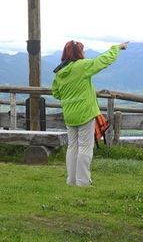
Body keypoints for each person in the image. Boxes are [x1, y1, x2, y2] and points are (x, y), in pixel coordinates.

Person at [51, 40, 128, 186]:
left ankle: (71, 180)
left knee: (72, 147)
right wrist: (116, 48)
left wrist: (69, 97)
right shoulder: (82, 66)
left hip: (69, 115)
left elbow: (56, 93)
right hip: (85, 113)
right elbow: (103, 60)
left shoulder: (59, 72)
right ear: (79, 53)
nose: (84, 53)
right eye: (83, 51)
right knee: (85, 147)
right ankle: (83, 182)